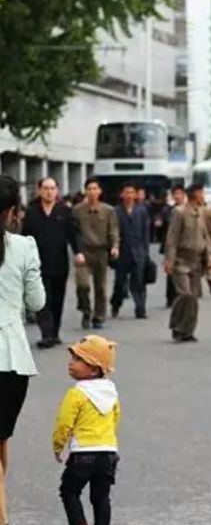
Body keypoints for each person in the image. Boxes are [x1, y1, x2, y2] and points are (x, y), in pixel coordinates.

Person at [0, 175, 46, 525]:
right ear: (13, 211)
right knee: (2, 441)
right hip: (12, 361)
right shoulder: (24, 246)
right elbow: (38, 301)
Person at [53, 335, 120, 525]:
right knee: (101, 498)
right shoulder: (111, 391)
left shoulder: (76, 393)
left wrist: (58, 445)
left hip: (83, 455)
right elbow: (115, 418)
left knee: (69, 492)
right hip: (108, 453)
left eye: (78, 359)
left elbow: (64, 422)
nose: (71, 363)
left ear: (93, 368)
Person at [23, 177, 85, 348]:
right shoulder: (32, 212)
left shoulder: (64, 211)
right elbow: (24, 237)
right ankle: (46, 334)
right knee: (44, 299)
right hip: (38, 264)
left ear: (57, 191)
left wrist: (78, 252)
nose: (49, 192)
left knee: (57, 299)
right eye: (45, 188)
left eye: (52, 188)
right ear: (39, 190)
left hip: (59, 263)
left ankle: (54, 332)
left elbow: (74, 234)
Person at [165, 184, 210, 343]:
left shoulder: (201, 212)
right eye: (201, 192)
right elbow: (172, 238)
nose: (203, 195)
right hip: (181, 260)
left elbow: (205, 237)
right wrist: (169, 260)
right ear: (194, 194)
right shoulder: (179, 212)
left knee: (194, 298)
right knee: (185, 294)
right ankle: (176, 325)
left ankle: (187, 330)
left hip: (196, 261)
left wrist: (209, 258)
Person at [73, 178, 120, 330]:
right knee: (83, 285)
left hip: (101, 252)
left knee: (100, 286)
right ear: (85, 191)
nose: (92, 192)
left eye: (95, 189)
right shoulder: (77, 210)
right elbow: (74, 232)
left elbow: (113, 230)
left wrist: (115, 246)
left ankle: (99, 316)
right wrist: (77, 250)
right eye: (89, 189)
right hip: (84, 251)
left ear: (100, 191)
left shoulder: (109, 210)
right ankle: (85, 310)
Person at [110, 182, 151, 320]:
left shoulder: (142, 211)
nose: (129, 195)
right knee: (120, 282)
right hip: (122, 252)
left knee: (139, 281)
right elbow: (112, 231)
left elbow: (146, 233)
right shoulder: (115, 211)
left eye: (131, 192)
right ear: (121, 195)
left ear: (135, 195)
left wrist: (145, 253)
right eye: (126, 192)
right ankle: (115, 304)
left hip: (138, 252)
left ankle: (140, 308)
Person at [160, 185, 187, 308]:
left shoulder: (188, 210)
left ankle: (182, 296)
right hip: (171, 244)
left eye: (180, 193)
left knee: (183, 271)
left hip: (184, 246)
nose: (178, 196)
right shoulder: (168, 210)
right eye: (175, 194)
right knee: (170, 271)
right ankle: (170, 297)